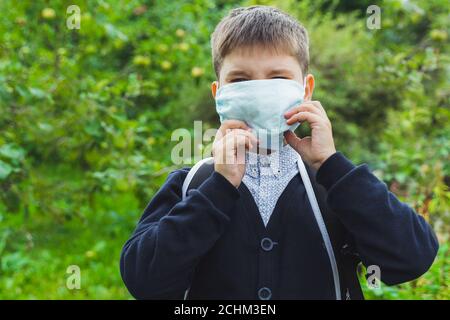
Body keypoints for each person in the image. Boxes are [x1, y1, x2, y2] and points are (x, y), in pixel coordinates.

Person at [120, 6, 438, 300]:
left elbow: (411, 260)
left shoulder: (336, 186)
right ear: (219, 93)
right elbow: (144, 281)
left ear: (306, 89)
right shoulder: (193, 184)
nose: (260, 89)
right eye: (240, 79)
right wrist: (218, 187)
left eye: (278, 77)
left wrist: (332, 166)